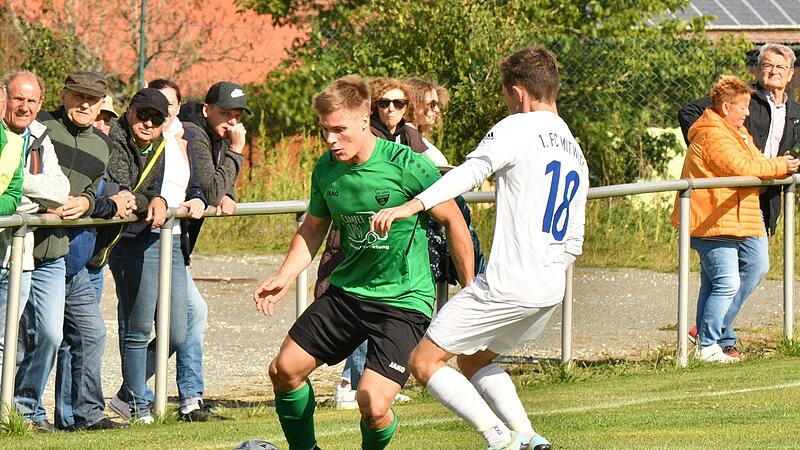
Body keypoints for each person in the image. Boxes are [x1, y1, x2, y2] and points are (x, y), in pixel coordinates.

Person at [371, 46, 588, 450]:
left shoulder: (518, 126)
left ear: (519, 93)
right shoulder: (575, 150)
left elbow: (472, 171)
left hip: (508, 284)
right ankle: (528, 436)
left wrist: (414, 203)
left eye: (507, 95)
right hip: (549, 287)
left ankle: (498, 438)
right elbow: (574, 239)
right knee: (474, 360)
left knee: (424, 361)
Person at [252, 74, 474, 450]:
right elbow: (312, 228)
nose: (330, 139)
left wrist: (469, 290)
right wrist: (284, 276)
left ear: (362, 120)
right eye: (324, 130)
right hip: (348, 292)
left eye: (338, 129)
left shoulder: (408, 165)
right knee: (284, 370)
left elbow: (454, 219)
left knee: (371, 403)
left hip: (403, 300)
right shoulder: (326, 170)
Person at [14, 70, 130, 431]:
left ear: (101, 106)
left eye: (92, 99)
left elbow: (97, 194)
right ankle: (23, 413)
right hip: (24, 250)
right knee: (25, 339)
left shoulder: (102, 144)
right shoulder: (40, 125)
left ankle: (85, 416)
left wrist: (86, 201)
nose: (84, 104)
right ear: (63, 96)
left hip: (68, 258)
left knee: (89, 334)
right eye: (78, 96)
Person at [678, 43, 800, 352]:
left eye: (780, 68)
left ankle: (712, 334)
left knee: (748, 269)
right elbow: (695, 114)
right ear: (759, 71)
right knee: (730, 275)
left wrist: (782, 167)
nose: (773, 72)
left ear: (790, 74)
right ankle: (716, 337)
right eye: (767, 66)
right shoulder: (743, 99)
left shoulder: (794, 110)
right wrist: (706, 154)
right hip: (731, 195)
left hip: (764, 194)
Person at [106, 87, 206, 423]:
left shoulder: (162, 143)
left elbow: (156, 189)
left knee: (177, 332)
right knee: (136, 329)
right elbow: (123, 187)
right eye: (143, 114)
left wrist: (159, 201)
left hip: (165, 239)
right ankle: (136, 405)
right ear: (130, 110)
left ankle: (125, 393)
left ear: (166, 121)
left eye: (157, 118)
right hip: (132, 241)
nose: (148, 123)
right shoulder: (116, 138)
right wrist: (148, 200)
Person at [167, 80, 249, 421]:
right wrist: (237, 151)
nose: (231, 121)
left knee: (187, 318)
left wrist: (228, 193)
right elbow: (212, 189)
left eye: (237, 115)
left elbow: (215, 188)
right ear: (206, 110)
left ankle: (184, 400)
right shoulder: (194, 134)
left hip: (179, 245)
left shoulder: (213, 136)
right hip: (162, 240)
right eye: (224, 113)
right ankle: (140, 396)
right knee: (180, 320)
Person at [404, 77, 450, 166]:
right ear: (414, 103)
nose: (437, 110)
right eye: (431, 104)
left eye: (436, 104)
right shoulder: (405, 136)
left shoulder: (416, 136)